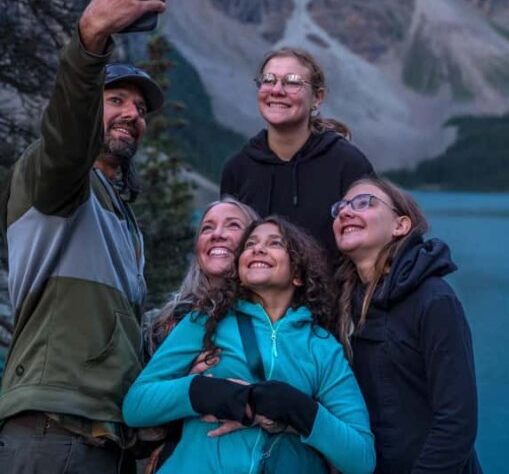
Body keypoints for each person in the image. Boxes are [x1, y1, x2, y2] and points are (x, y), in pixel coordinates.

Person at [0, 0, 168, 474]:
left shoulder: (121, 217)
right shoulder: (54, 179)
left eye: (141, 110)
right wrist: (91, 38)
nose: (132, 115)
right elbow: (67, 135)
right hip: (54, 429)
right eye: (116, 100)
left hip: (104, 438)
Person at [123, 216, 376, 474]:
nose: (258, 248)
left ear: (298, 275)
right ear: (239, 272)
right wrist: (204, 392)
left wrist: (292, 407)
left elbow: (362, 459)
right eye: (250, 244)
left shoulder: (322, 346)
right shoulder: (205, 321)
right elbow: (136, 406)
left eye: (275, 243)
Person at [333, 178, 483, 474]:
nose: (346, 212)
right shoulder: (342, 303)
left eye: (364, 202)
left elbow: (456, 422)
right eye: (340, 208)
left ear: (400, 225)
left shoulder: (433, 299)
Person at [220, 47, 375, 255]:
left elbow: (372, 243)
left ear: (317, 98)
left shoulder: (348, 164)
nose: (276, 90)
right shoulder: (238, 170)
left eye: (292, 82)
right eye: (268, 80)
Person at [147, 198, 259, 355]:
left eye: (233, 225)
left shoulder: (273, 320)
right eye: (207, 228)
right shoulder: (163, 324)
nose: (217, 234)